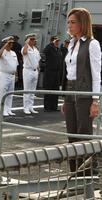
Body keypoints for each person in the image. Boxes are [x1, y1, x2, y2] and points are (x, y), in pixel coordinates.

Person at [61, 8, 101, 173]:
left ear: (82, 23)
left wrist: (95, 101)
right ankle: (74, 172)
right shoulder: (71, 43)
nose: (69, 26)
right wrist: (65, 98)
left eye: (73, 22)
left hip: (84, 93)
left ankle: (88, 173)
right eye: (68, 22)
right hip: (70, 91)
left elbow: (96, 73)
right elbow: (68, 73)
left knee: (83, 133)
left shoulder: (92, 44)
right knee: (71, 134)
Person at [0, 36, 18, 116]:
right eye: (9, 43)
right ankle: (3, 110)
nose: (11, 44)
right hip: (4, 75)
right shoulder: (2, 52)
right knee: (3, 94)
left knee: (10, 94)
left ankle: (8, 109)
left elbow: (15, 65)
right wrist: (5, 46)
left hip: (12, 75)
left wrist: (16, 75)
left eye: (12, 43)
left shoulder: (13, 53)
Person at [21, 33, 41, 114]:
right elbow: (24, 53)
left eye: (33, 39)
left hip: (34, 71)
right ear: (27, 40)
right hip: (28, 70)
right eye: (31, 39)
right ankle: (25, 107)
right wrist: (26, 43)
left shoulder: (35, 49)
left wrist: (38, 69)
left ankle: (31, 106)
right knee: (27, 90)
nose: (33, 41)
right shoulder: (25, 48)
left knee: (33, 91)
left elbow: (38, 59)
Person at [43, 35, 62, 112]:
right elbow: (45, 51)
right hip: (49, 72)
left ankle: (54, 106)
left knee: (55, 90)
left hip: (56, 72)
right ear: (52, 41)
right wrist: (51, 43)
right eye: (56, 41)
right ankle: (47, 107)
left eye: (58, 41)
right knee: (48, 89)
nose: (57, 43)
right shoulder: (49, 48)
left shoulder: (57, 49)